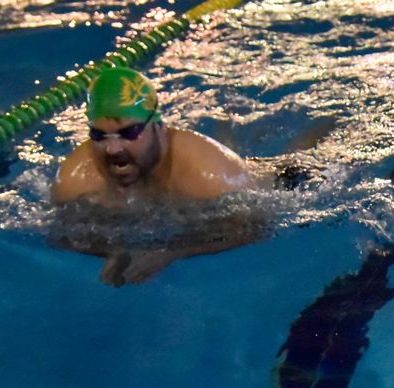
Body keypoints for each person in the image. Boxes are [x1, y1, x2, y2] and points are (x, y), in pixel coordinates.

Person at [52, 66, 259, 284]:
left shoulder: (209, 176)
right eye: (99, 135)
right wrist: (112, 250)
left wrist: (172, 251)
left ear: (158, 126)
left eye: (129, 133)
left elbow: (253, 228)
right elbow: (61, 236)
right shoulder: (74, 180)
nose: (112, 149)